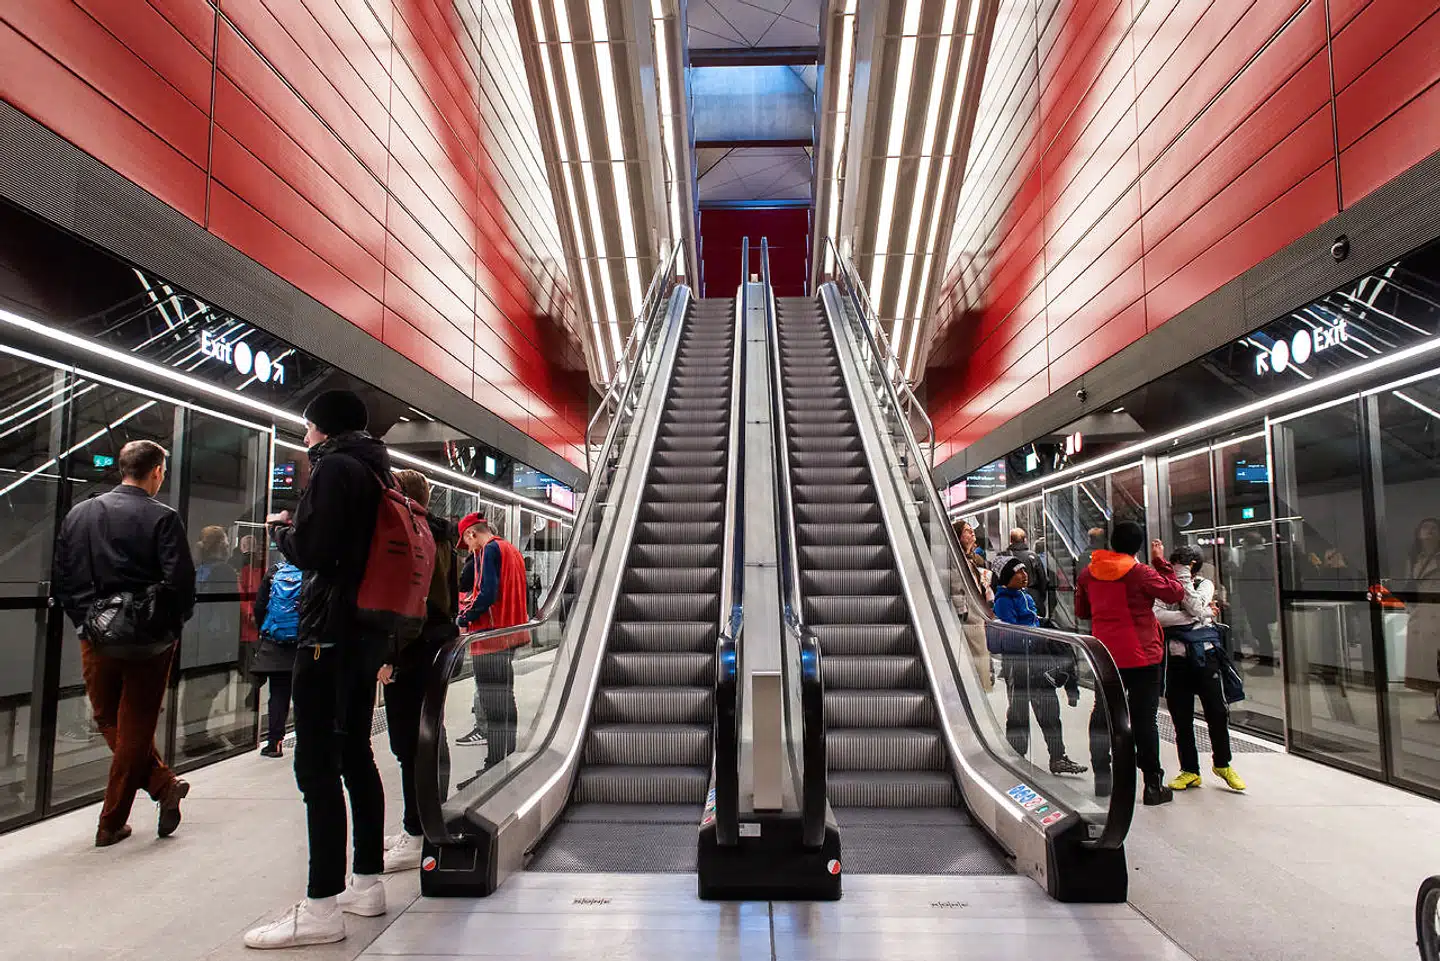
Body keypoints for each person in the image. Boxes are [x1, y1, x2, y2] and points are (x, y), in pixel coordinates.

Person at [245, 390, 391, 950]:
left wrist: (283, 530)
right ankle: (368, 882)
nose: (304, 436)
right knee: (355, 752)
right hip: (364, 635)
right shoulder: (379, 472)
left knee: (316, 765)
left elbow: (318, 551)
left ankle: (323, 904)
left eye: (306, 427)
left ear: (322, 429)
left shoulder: (334, 470)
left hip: (328, 634)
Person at [51, 439, 196, 847]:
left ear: (121, 468)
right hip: (150, 643)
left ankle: (155, 790)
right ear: (156, 471)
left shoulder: (80, 513)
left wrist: (84, 621)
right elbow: (181, 582)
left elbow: (64, 574)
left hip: (95, 637)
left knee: (107, 717)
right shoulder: (163, 518)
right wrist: (169, 627)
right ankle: (124, 812)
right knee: (135, 725)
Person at [380, 470, 457, 874]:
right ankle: (427, 817)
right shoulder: (444, 535)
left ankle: (416, 829)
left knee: (407, 742)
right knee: (428, 735)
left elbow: (410, 601)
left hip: (413, 649)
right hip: (438, 644)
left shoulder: (415, 536)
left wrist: (390, 654)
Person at [1075, 522, 1185, 806]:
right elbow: (1174, 593)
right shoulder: (1141, 573)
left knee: (1103, 713)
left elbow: (1081, 611)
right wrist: (1161, 562)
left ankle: (1102, 777)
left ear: (1112, 542)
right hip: (1142, 656)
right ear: (1138, 546)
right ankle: (1151, 784)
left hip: (1104, 654)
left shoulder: (1089, 573)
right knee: (1144, 719)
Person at [1157, 545, 1245, 792]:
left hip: (1207, 657)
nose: (1177, 570)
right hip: (1176, 661)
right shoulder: (1164, 588)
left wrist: (1193, 606)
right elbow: (1158, 616)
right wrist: (1200, 615)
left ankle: (1223, 763)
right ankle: (1189, 770)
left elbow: (1195, 606)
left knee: (1216, 712)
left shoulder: (1205, 585)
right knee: (1181, 718)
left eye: (1182, 566)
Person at [991, 559, 1087, 776]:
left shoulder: (1025, 596)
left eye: (1025, 570)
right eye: (1019, 572)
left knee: (1050, 711)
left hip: (1037, 661)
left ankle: (1058, 756)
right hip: (1019, 664)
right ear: (1007, 577)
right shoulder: (1004, 601)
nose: (1025, 575)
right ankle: (1017, 755)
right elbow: (1014, 631)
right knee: (1018, 712)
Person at [454, 513, 530, 772]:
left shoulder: (489, 550)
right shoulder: (512, 551)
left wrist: (464, 616)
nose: (470, 549)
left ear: (472, 533)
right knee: (505, 699)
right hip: (509, 634)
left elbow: (486, 593)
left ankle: (496, 763)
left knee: (493, 703)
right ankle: (505, 758)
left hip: (489, 636)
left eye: (468, 542)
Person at [182, 526, 240, 756]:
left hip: (193, 635)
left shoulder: (196, 570)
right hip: (214, 639)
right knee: (207, 686)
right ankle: (196, 739)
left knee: (194, 687)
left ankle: (193, 735)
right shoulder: (224, 571)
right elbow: (229, 609)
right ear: (221, 545)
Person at [249, 550, 303, 758]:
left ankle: (274, 743)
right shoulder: (311, 573)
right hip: (303, 644)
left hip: (276, 642)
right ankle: (305, 740)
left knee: (278, 694)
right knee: (304, 694)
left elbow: (260, 607)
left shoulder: (274, 572)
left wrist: (268, 630)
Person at [1405, 518, 1440, 722]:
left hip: (1436, 613)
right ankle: (1437, 709)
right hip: (1423, 615)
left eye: (1434, 528)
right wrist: (1411, 608)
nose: (1430, 532)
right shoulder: (1415, 559)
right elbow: (1410, 586)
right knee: (1431, 667)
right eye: (1425, 528)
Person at [990, 528, 1051, 620]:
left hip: (1010, 601)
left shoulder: (1002, 557)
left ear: (1011, 540)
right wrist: (1039, 598)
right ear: (1025, 539)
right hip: (1034, 597)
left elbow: (995, 582)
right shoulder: (1033, 557)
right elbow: (1043, 580)